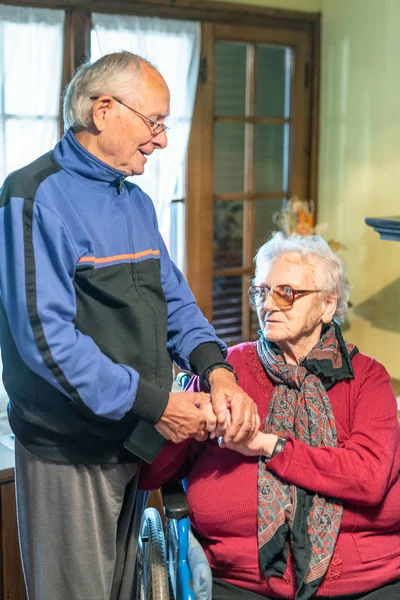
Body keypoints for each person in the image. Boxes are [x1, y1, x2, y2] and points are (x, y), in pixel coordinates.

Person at [0, 51, 259, 600]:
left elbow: (175, 300)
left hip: (133, 441)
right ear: (103, 110)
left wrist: (219, 371)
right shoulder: (33, 195)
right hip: (68, 448)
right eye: (156, 122)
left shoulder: (134, 202)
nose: (163, 140)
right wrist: (157, 403)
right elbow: (47, 343)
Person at [140, 232, 400, 600]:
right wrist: (183, 422)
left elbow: (368, 478)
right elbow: (152, 473)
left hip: (365, 581)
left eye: (287, 293)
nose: (269, 306)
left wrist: (270, 446)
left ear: (328, 305)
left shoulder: (367, 378)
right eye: (262, 292)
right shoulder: (224, 371)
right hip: (243, 581)